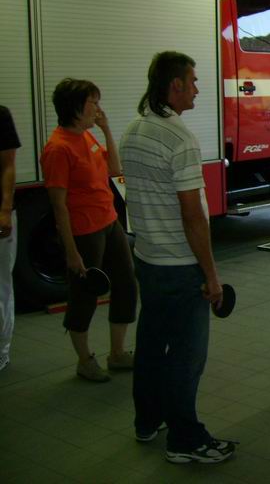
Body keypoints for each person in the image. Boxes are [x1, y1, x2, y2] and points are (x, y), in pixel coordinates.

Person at [120, 51, 235, 464]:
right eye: (193, 81)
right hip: (180, 267)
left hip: (147, 261)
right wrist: (211, 276)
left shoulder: (133, 131)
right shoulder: (179, 138)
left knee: (151, 347)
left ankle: (147, 421)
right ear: (175, 86)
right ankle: (186, 440)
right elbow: (193, 218)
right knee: (187, 356)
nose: (198, 89)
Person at [41, 79, 137, 382]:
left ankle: (117, 353)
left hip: (109, 222)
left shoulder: (88, 137)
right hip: (84, 232)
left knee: (126, 284)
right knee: (84, 296)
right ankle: (85, 360)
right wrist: (71, 251)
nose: (98, 107)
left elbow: (114, 171)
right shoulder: (58, 148)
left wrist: (107, 130)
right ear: (77, 106)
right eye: (93, 102)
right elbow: (59, 207)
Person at [0, 106, 21, 373]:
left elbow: (8, 165)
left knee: (1, 286)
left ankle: (1, 350)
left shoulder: (1, 115)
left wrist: (5, 209)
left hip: (1, 215)